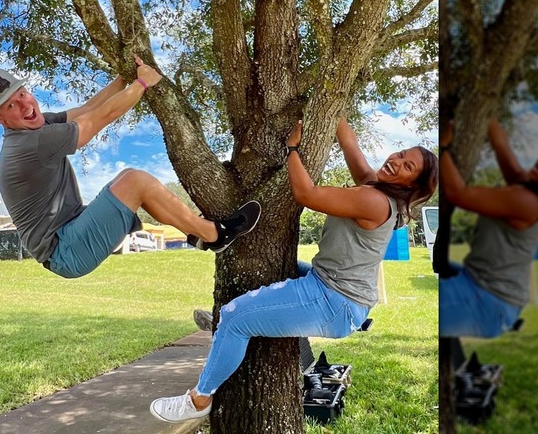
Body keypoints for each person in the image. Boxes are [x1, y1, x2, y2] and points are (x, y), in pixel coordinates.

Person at [150, 117, 439, 422]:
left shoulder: (375, 200)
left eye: (408, 167)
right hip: (331, 287)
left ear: (412, 185)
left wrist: (292, 148)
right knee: (275, 265)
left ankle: (200, 398)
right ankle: (223, 313)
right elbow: (350, 144)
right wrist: (328, 105)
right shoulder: (374, 185)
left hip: (334, 301)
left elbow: (307, 195)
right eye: (401, 154)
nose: (397, 161)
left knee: (236, 318)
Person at [0, 56, 260, 278]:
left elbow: (88, 108)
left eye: (22, 94)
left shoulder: (38, 124)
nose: (25, 106)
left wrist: (123, 77)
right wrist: (143, 83)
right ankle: (215, 235)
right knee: (134, 181)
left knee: (128, 181)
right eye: (10, 106)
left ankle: (196, 235)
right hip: (65, 251)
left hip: (72, 231)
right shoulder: (28, 144)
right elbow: (98, 118)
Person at [439, 118, 538, 338]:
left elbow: (458, 194)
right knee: (439, 265)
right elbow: (501, 147)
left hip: (486, 300)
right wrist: (486, 108)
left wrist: (442, 147)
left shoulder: (526, 201)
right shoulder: (526, 186)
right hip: (482, 289)